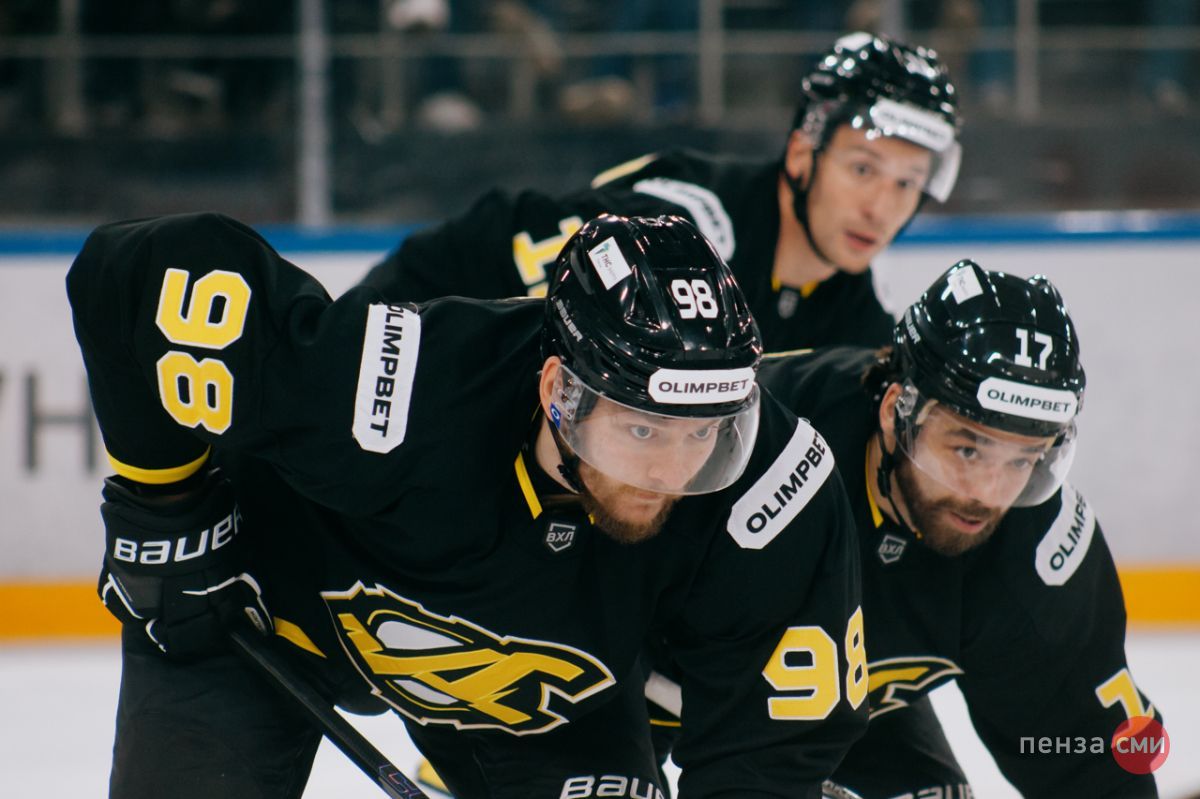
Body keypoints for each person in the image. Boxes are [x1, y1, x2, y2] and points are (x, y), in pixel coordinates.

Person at [67, 211, 869, 798]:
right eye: (641, 429)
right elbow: (130, 270)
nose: (669, 470)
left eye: (701, 435)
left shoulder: (768, 489)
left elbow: (766, 753)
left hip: (538, 697)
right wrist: (165, 509)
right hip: (262, 619)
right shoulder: (398, 395)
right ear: (559, 392)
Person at [650, 259, 1161, 797]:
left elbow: (1088, 759)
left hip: (844, 705)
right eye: (967, 449)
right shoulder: (750, 442)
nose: (988, 493)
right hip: (639, 683)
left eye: (1022, 460)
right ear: (897, 411)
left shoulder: (1038, 547)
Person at [359, 30, 962, 351]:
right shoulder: (685, 226)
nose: (881, 207)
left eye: (908, 183)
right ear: (803, 153)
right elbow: (475, 255)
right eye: (863, 170)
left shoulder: (855, 315)